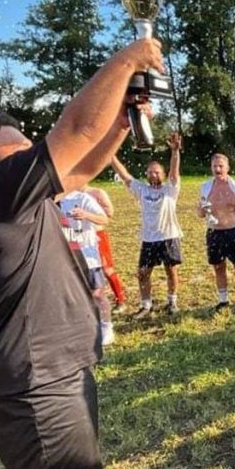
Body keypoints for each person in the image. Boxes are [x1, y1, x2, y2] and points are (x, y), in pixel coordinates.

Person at [0, 37, 164, 469]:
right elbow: (77, 131)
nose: (30, 152)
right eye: (17, 149)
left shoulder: (6, 200)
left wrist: (123, 120)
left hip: (46, 376)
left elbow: (79, 169)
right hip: (34, 387)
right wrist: (127, 59)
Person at [110, 132, 183, 317]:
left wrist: (175, 152)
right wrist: (110, 155)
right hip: (149, 238)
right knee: (143, 273)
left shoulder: (170, 189)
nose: (153, 174)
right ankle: (146, 305)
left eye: (157, 171)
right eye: (150, 171)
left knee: (171, 270)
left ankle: (172, 302)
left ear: (163, 174)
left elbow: (175, 173)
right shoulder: (141, 189)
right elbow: (125, 176)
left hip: (168, 236)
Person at [59, 189, 114, 346]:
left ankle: (106, 326)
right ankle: (79, 330)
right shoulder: (49, 199)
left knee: (97, 294)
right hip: (63, 256)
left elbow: (104, 219)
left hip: (87, 255)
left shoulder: (82, 198)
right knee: (69, 296)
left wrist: (86, 215)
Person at [199, 153, 235, 312]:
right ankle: (223, 301)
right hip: (214, 233)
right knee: (218, 268)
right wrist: (201, 210)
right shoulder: (205, 187)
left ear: (228, 168)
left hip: (233, 233)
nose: (217, 169)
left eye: (221, 166)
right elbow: (200, 213)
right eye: (215, 166)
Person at [83, 185, 127, 313]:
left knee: (106, 269)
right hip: (80, 237)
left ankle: (120, 300)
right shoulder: (69, 194)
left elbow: (109, 214)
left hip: (97, 235)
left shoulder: (97, 192)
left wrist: (89, 214)